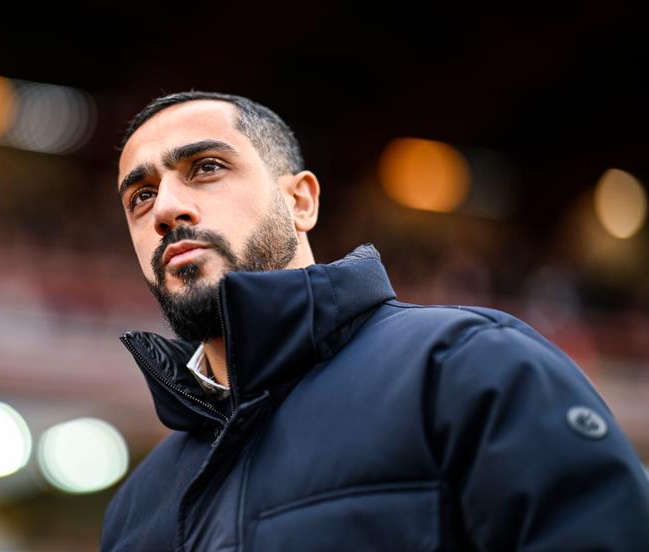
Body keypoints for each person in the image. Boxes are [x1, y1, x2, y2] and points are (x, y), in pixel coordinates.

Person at [101, 91, 649, 551]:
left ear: (301, 202)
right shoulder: (133, 509)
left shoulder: (471, 367)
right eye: (141, 196)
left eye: (207, 168)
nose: (167, 208)